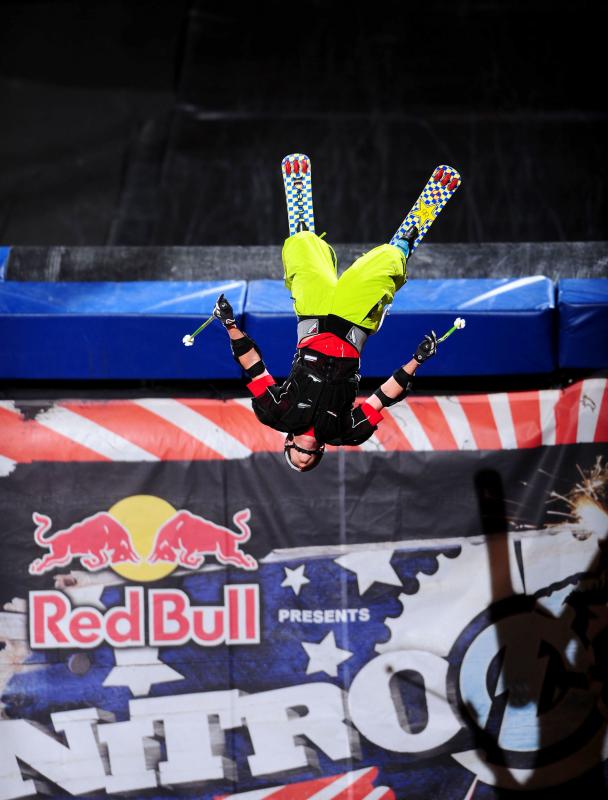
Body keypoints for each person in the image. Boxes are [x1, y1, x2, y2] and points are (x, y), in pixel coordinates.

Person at [214, 224, 439, 472]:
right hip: (352, 324)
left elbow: (254, 367)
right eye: (311, 454)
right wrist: (417, 360)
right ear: (321, 450)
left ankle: (308, 238)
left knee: (303, 255)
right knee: (377, 270)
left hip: (315, 318)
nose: (307, 449)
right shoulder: (345, 433)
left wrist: (229, 324)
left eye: (300, 451)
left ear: (289, 442)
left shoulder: (274, 414)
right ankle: (401, 249)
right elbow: (383, 397)